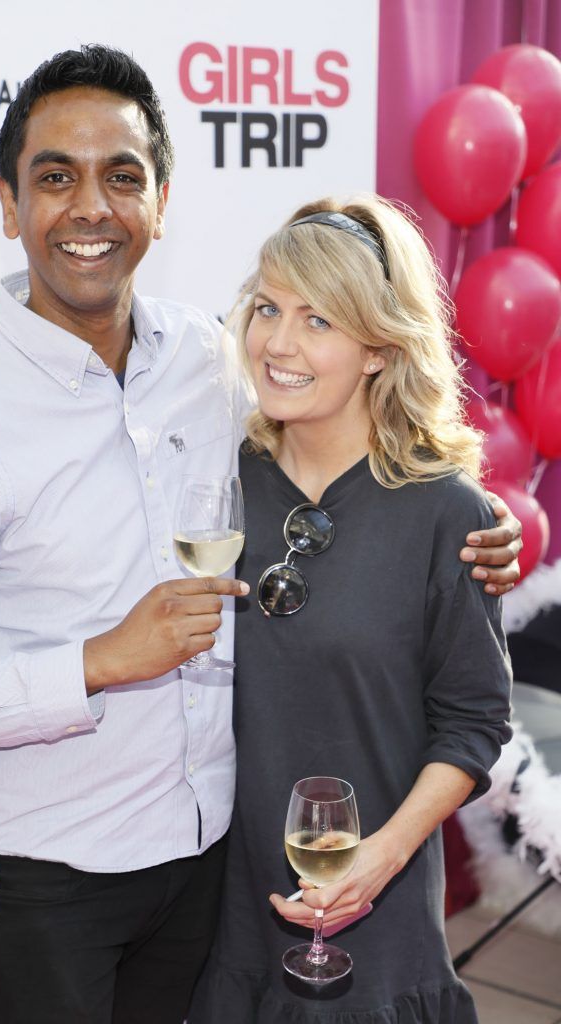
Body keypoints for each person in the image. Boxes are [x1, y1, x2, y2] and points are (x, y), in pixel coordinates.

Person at [0, 49, 518, 1024]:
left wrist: (475, 522)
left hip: (210, 880)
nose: (89, 206)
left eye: (122, 175)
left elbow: (369, 463)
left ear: (162, 203)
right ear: (7, 204)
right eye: (54, 176)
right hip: (53, 886)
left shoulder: (210, 366)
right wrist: (100, 661)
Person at [187, 196, 513, 1024]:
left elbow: (473, 721)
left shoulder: (449, 516)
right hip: (221, 904)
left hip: (378, 902)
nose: (278, 344)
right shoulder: (214, 488)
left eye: (319, 320)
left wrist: (382, 857)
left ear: (378, 347)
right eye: (267, 308)